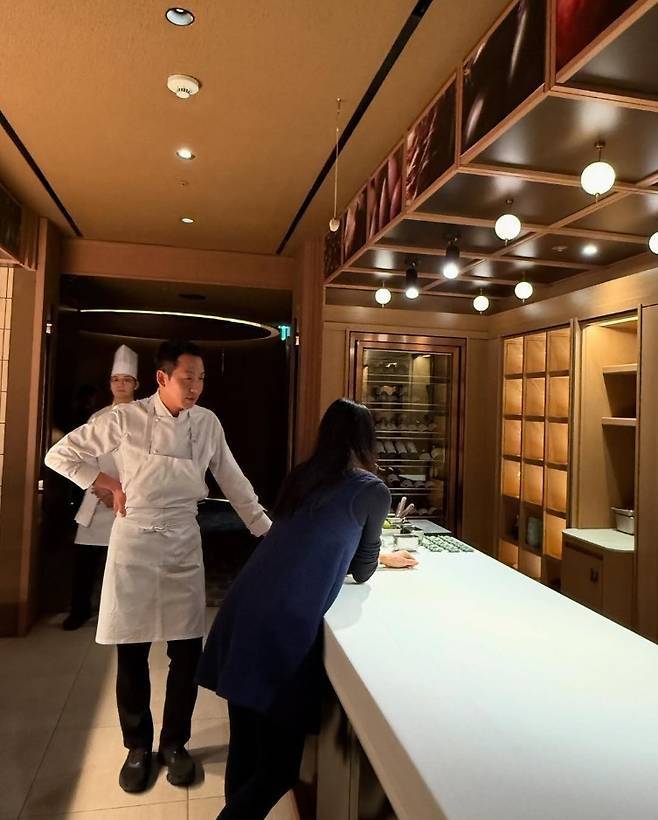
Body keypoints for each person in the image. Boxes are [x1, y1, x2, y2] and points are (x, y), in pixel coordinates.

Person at [45, 340, 270, 794]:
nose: (195, 388)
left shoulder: (206, 423)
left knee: (186, 653)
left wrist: (265, 530)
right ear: (162, 378)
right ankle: (136, 747)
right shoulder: (124, 418)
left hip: (183, 541)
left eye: (201, 379)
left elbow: (231, 477)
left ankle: (174, 744)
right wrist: (105, 481)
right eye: (188, 379)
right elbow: (59, 455)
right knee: (132, 652)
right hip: (134, 542)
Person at [197, 398, 417, 820]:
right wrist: (376, 555)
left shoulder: (303, 476)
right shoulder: (372, 490)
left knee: (245, 750)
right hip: (284, 625)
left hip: (244, 607)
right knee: (279, 769)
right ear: (367, 440)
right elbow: (364, 569)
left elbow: (306, 541)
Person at [63, 345, 139, 630]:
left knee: (125, 564)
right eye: (116, 379)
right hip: (97, 496)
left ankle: (123, 614)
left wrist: (121, 491)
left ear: (136, 384)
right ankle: (79, 611)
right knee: (85, 560)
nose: (121, 384)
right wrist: (102, 488)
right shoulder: (98, 418)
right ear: (110, 384)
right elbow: (84, 457)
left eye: (126, 380)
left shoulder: (145, 416)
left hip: (130, 499)